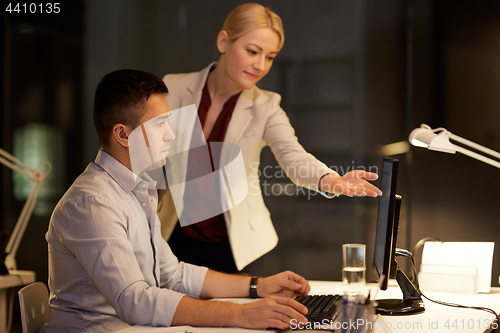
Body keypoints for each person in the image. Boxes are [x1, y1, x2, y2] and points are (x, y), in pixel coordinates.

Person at [42, 69, 311, 332]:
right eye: (160, 124)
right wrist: (242, 314)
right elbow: (135, 301)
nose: (171, 134)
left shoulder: (138, 191)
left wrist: (257, 286)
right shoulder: (92, 202)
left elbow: (173, 274)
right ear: (123, 135)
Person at [158, 2, 383, 275]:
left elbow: (293, 156)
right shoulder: (173, 87)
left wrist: (330, 180)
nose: (260, 65)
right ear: (224, 41)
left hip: (237, 247)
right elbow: (145, 156)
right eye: (252, 51)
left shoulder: (267, 106)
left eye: (270, 57)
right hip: (175, 239)